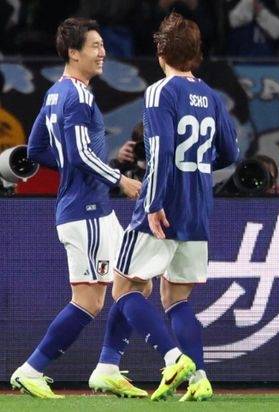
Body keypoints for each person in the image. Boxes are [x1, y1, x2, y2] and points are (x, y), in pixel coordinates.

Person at [103, 12, 240, 401]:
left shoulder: (160, 92)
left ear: (161, 51)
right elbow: (230, 153)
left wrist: (154, 201)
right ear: (196, 54)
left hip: (163, 204)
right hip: (198, 207)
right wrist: (197, 167)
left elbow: (160, 151)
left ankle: (174, 357)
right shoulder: (211, 96)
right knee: (175, 298)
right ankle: (199, 379)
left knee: (124, 288)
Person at [11, 17, 143, 399]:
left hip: (92, 210)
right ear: (73, 52)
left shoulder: (55, 94)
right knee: (89, 300)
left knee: (137, 277)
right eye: (95, 46)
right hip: (86, 212)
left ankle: (108, 367)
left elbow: (37, 150)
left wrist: (72, 165)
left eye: (102, 45)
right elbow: (82, 153)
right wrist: (119, 179)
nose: (103, 53)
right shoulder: (79, 95)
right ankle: (32, 370)